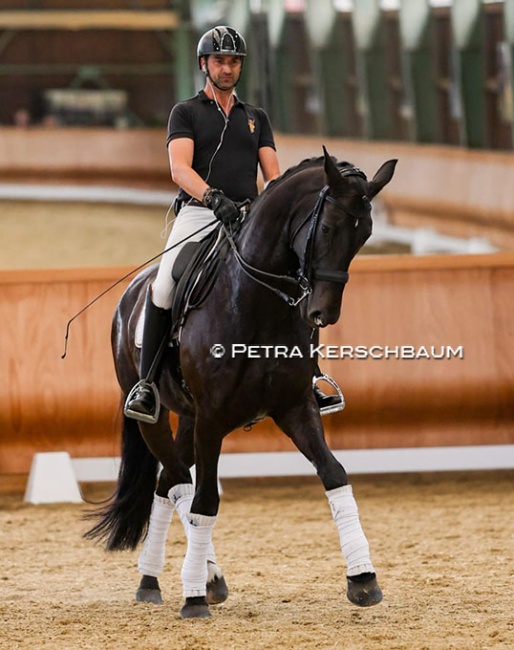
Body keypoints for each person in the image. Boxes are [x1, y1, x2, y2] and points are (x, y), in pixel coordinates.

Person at [124, 25, 344, 423]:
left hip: (247, 217)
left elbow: (273, 178)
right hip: (198, 212)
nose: (228, 68)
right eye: (220, 61)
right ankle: (147, 385)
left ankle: (309, 376)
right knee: (165, 283)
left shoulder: (255, 118)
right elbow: (179, 168)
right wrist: (212, 198)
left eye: (234, 62)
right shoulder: (186, 112)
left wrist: (271, 211)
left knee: (296, 282)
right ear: (204, 64)